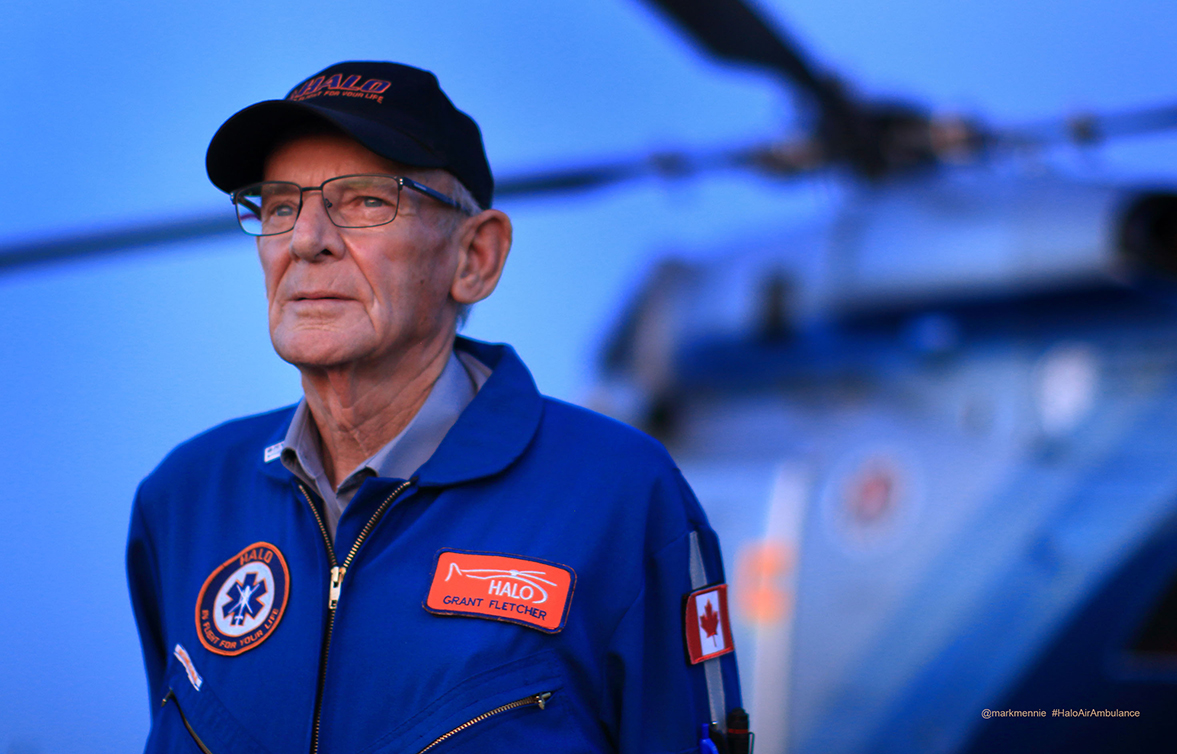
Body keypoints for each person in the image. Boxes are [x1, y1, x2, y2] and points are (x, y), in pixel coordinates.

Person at [127, 61, 746, 754]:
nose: (306, 240)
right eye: (278, 205)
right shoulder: (185, 499)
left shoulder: (621, 497)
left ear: (476, 257)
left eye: (364, 200)